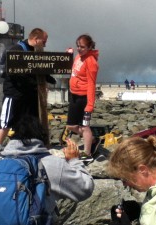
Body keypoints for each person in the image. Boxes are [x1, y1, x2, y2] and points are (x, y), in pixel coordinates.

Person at [0, 115, 94, 222]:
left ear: (11, 137)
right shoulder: (53, 164)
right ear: (43, 137)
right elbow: (85, 188)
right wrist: (74, 160)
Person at [0, 28, 56, 160]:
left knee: (29, 120)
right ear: (36, 39)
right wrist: (36, 84)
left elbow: (40, 68)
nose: (45, 44)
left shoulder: (35, 51)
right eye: (44, 41)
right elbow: (15, 74)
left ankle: (29, 145)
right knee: (6, 120)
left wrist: (48, 78)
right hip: (14, 92)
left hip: (29, 94)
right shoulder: (15, 50)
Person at [65, 34, 99, 162]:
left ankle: (87, 153)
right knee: (71, 126)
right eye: (78, 46)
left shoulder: (91, 62)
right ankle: (93, 140)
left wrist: (90, 105)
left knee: (85, 127)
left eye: (82, 47)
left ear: (90, 47)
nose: (79, 48)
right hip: (74, 95)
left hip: (84, 98)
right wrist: (69, 54)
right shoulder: (79, 56)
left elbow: (91, 84)